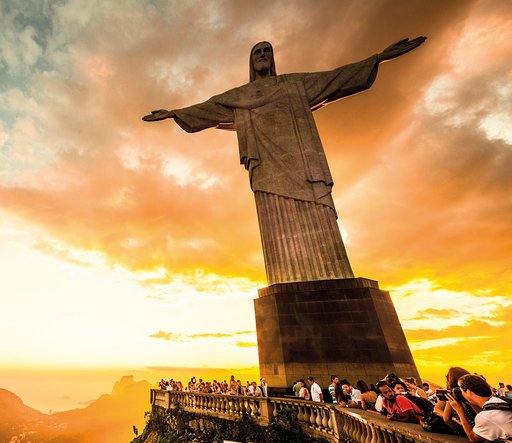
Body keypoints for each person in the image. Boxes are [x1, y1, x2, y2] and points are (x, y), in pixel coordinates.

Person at [143, 37, 426, 284]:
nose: (263, 55)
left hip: (304, 167)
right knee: (278, 229)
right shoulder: (239, 96)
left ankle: (334, 274)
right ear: (252, 62)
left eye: (267, 50)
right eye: (258, 52)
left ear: (273, 57)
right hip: (267, 170)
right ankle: (287, 278)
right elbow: (209, 107)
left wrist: (379, 58)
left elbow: (336, 77)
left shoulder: (295, 83)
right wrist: (173, 113)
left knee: (320, 218)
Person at [448, 374, 512, 443]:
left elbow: (473, 438)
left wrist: (460, 411)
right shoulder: (501, 401)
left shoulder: (486, 416)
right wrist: (472, 403)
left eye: (462, 391)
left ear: (469, 392)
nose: (462, 394)